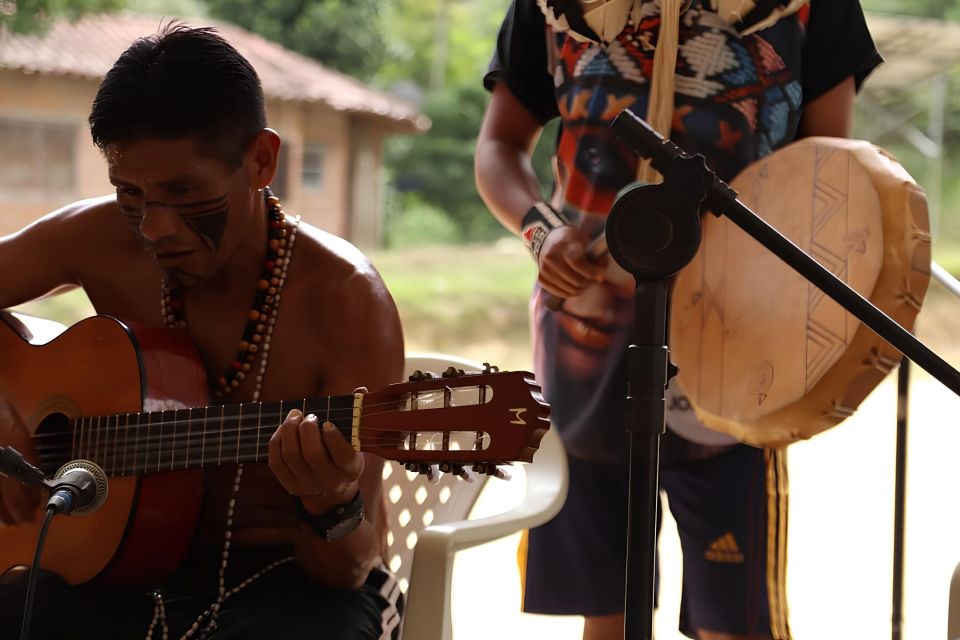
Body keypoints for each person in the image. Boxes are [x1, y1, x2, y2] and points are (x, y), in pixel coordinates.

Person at [475, 1, 882, 639]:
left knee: (736, 620)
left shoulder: (809, 8)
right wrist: (539, 231)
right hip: (586, 342)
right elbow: (499, 144)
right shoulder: (555, 8)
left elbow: (829, 173)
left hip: (744, 349)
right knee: (604, 611)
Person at [0, 24, 405, 639]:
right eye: (129, 192)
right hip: (114, 573)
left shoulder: (346, 299)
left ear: (261, 160)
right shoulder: (99, 238)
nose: (155, 227)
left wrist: (332, 504)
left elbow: (347, 568)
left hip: (287, 584)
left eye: (184, 192)